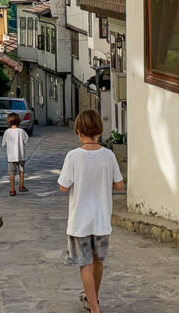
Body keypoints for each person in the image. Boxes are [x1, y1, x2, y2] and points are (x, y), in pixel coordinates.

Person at [58, 109, 124, 313]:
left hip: (80, 221)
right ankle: (93, 299)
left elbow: (63, 186)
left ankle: (94, 308)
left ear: (78, 131)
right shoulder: (109, 155)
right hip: (102, 219)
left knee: (85, 264)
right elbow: (120, 185)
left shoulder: (73, 156)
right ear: (99, 131)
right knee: (98, 261)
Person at [1, 112, 28, 196]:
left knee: (12, 173)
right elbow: (26, 140)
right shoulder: (21, 131)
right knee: (21, 171)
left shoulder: (7, 132)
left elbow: (3, 144)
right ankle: (21, 186)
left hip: (11, 156)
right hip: (21, 155)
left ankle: (12, 190)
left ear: (8, 121)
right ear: (18, 121)